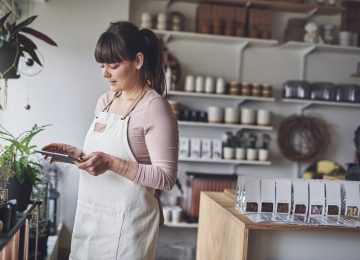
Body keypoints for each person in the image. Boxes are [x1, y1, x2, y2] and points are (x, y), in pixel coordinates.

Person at [42, 21, 179, 260]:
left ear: (138, 61)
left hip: (127, 229)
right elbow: (103, 157)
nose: (105, 73)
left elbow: (166, 178)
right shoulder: (105, 101)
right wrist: (78, 155)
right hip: (90, 220)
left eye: (113, 66)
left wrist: (112, 164)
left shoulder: (155, 108)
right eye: (102, 65)